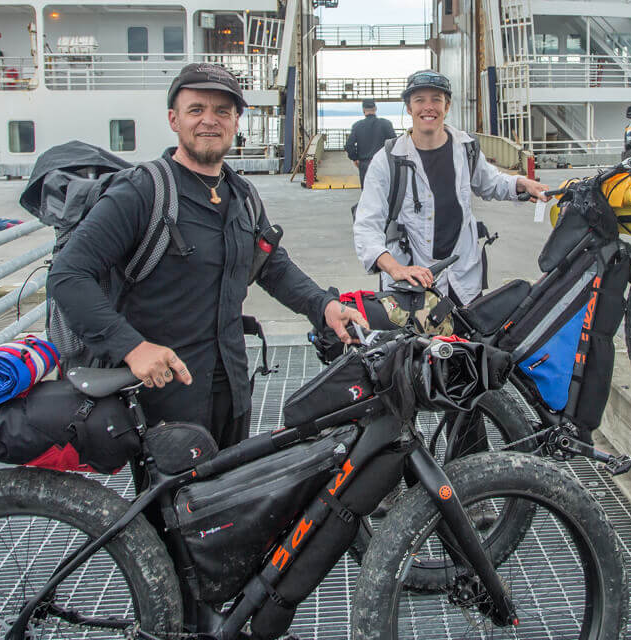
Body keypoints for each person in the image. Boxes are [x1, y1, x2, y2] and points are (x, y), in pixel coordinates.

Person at [48, 62, 368, 449]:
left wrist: (324, 306)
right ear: (174, 119)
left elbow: (271, 266)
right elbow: (68, 275)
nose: (209, 121)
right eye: (196, 109)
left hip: (232, 385)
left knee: (230, 499)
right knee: (171, 507)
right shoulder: (141, 192)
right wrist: (131, 347)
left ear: (236, 121)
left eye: (222, 111)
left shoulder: (242, 195)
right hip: (162, 394)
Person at [353, 69, 549, 306]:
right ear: (408, 107)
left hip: (463, 278)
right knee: (416, 345)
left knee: (466, 342)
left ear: (447, 106)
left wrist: (519, 183)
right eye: (419, 100)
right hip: (410, 286)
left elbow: (491, 183)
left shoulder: (466, 148)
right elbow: (366, 225)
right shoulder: (387, 159)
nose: (428, 107)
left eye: (436, 99)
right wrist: (395, 269)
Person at [346, 98, 397, 187]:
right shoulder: (386, 123)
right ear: (375, 108)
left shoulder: (357, 125)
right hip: (382, 163)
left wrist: (355, 158)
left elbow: (349, 145)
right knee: (384, 191)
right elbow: (394, 143)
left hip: (365, 163)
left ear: (363, 110)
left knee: (367, 192)